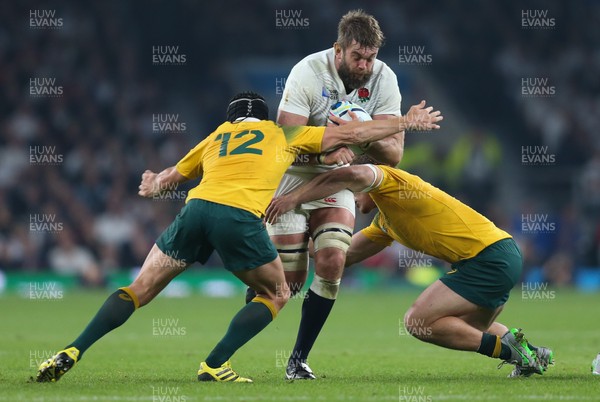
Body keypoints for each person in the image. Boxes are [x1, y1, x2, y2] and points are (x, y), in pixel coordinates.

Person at [35, 92, 442, 383]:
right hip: (238, 218)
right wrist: (406, 122)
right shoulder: (282, 133)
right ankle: (214, 364)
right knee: (277, 294)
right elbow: (352, 136)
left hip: (195, 211)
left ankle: (72, 349)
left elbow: (166, 181)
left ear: (231, 119)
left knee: (139, 288)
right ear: (264, 118)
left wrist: (150, 183)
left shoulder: (215, 137)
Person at [265, 161, 554, 377]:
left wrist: (294, 197)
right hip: (497, 255)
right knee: (469, 329)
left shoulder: (392, 180)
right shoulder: (385, 223)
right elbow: (342, 256)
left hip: (488, 258)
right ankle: (530, 353)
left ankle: (511, 351)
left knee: (418, 321)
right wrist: (298, 233)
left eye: (350, 193)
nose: (350, 198)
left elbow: (354, 174)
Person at [270, 9, 404, 380]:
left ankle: (298, 360)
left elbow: (394, 154)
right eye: (358, 56)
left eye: (371, 58)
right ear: (338, 50)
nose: (364, 66)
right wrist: (328, 147)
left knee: (331, 262)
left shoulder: (384, 80)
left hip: (338, 178)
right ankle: (250, 315)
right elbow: (287, 138)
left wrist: (362, 134)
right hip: (294, 177)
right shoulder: (308, 72)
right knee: (287, 285)